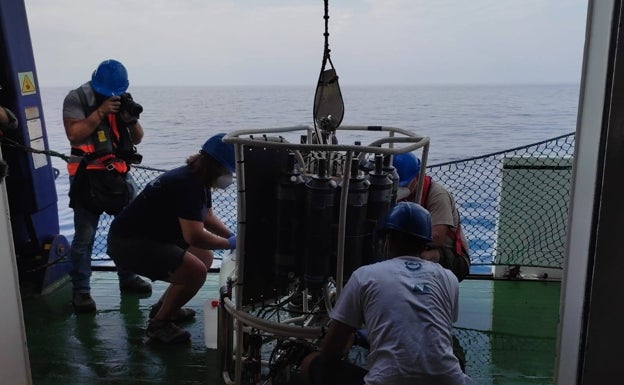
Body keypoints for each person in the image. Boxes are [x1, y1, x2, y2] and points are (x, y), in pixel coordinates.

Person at [300, 202, 472, 385]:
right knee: (452, 346)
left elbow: (331, 349)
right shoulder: (448, 277)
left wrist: (352, 338)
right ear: (425, 243)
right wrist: (361, 336)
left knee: (312, 363)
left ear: (388, 240)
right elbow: (427, 325)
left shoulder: (364, 276)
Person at [106, 133, 237, 343]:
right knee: (195, 272)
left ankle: (167, 307)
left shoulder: (198, 178)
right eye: (228, 171)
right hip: (129, 243)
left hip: (149, 237)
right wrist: (230, 244)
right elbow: (194, 235)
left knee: (204, 257)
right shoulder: (187, 184)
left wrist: (231, 235)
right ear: (216, 167)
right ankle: (159, 325)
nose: (229, 176)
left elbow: (208, 216)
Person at [63, 59, 151, 313]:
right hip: (86, 176)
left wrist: (130, 119)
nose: (112, 96)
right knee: (85, 236)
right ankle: (81, 292)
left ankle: (128, 277)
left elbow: (138, 138)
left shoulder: (122, 99)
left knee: (127, 230)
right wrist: (101, 111)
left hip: (119, 175)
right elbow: (75, 134)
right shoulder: (76, 98)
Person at [393, 152, 470, 282]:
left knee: (419, 258)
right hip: (410, 246)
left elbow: (437, 237)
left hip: (449, 255)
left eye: (404, 184)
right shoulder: (392, 194)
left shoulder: (437, 195)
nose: (401, 188)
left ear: (417, 176)